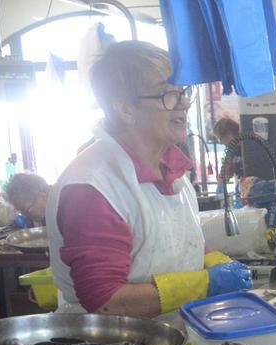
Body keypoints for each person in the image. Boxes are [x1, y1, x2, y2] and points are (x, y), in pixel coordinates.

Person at [46, 40, 250, 317]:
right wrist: (205, 283)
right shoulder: (93, 186)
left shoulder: (171, 168)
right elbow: (107, 301)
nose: (185, 103)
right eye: (167, 94)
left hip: (171, 334)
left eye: (183, 92)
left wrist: (213, 261)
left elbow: (173, 242)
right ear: (125, 110)